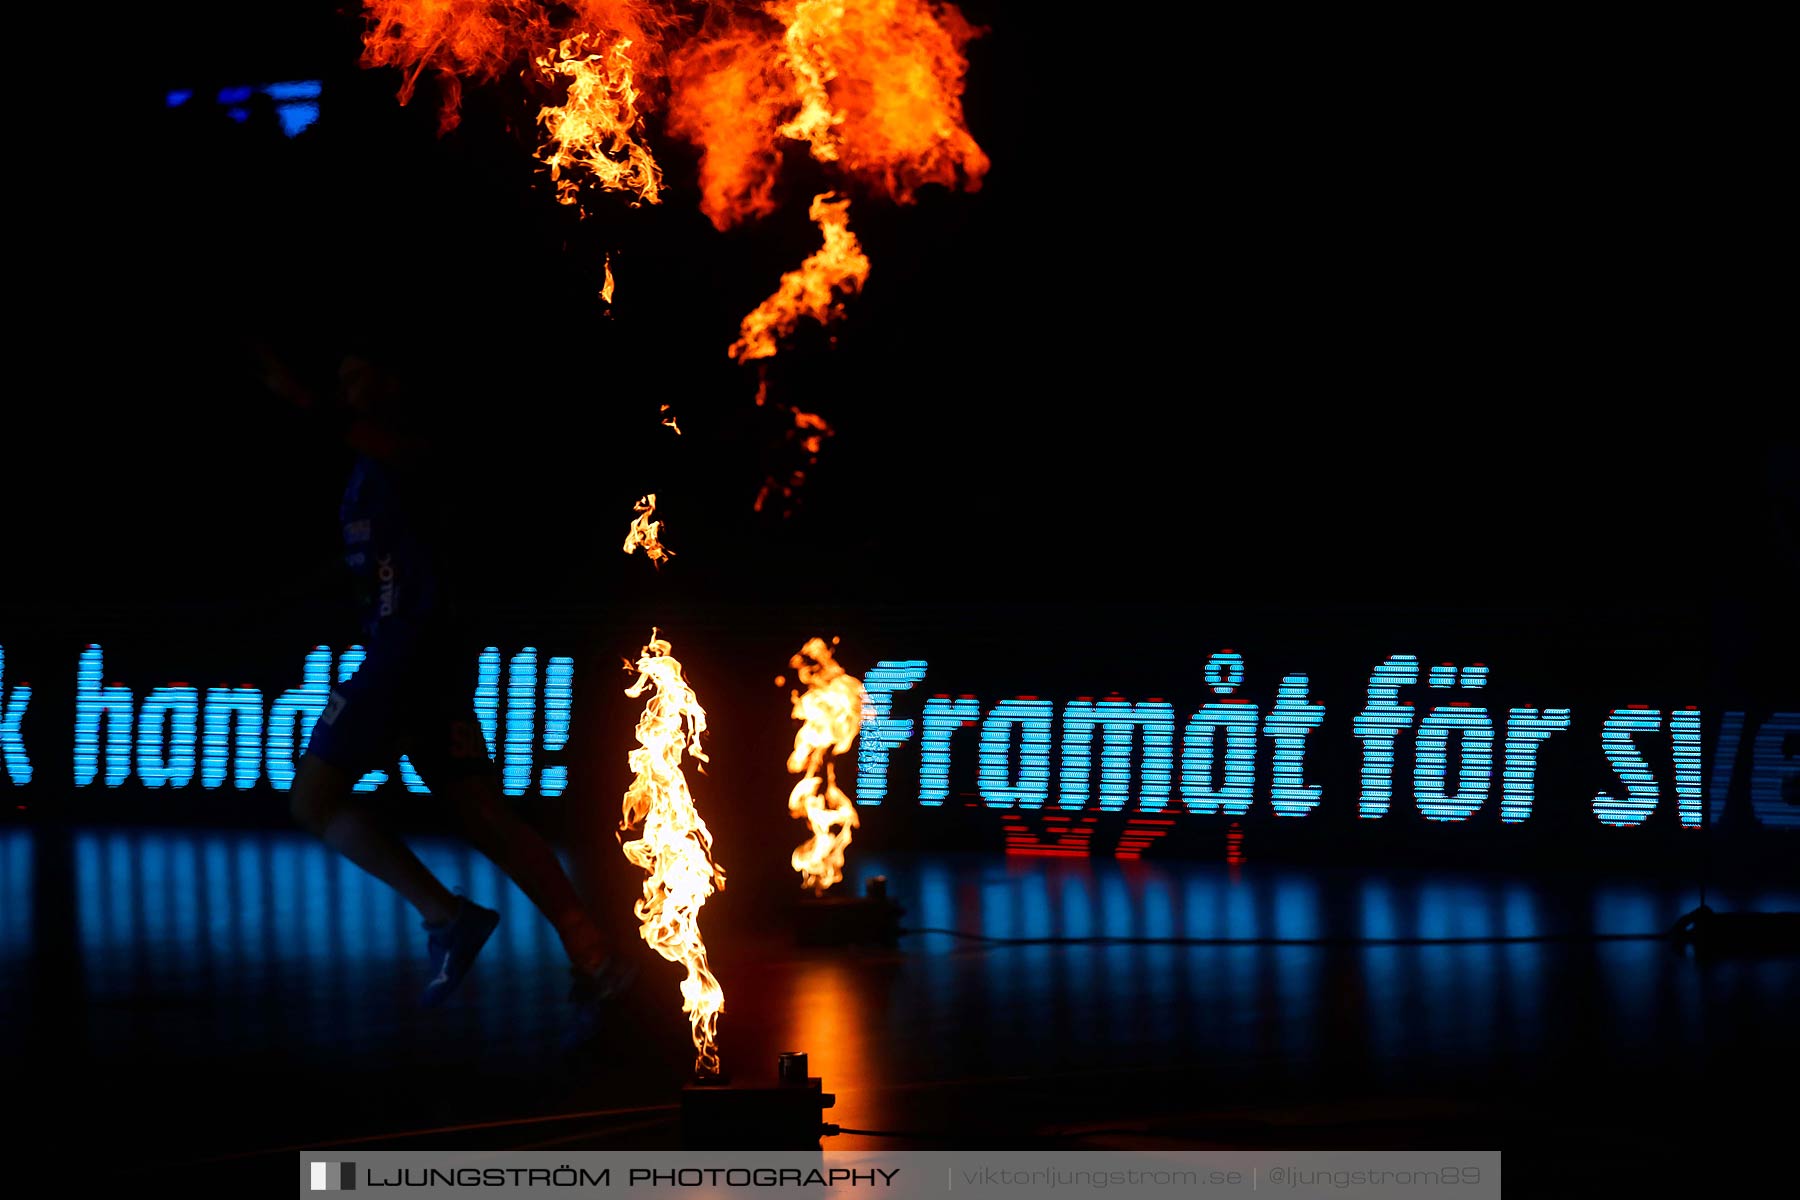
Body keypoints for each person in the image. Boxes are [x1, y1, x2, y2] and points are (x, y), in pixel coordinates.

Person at [270, 340, 634, 1049]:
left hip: (408, 654)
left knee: (311, 798)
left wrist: (300, 398)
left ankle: (446, 917)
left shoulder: (412, 448)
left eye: (357, 368)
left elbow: (380, 462)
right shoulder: (367, 465)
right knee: (480, 812)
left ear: (395, 376)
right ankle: (597, 956)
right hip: (426, 657)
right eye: (337, 372)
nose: (345, 382)